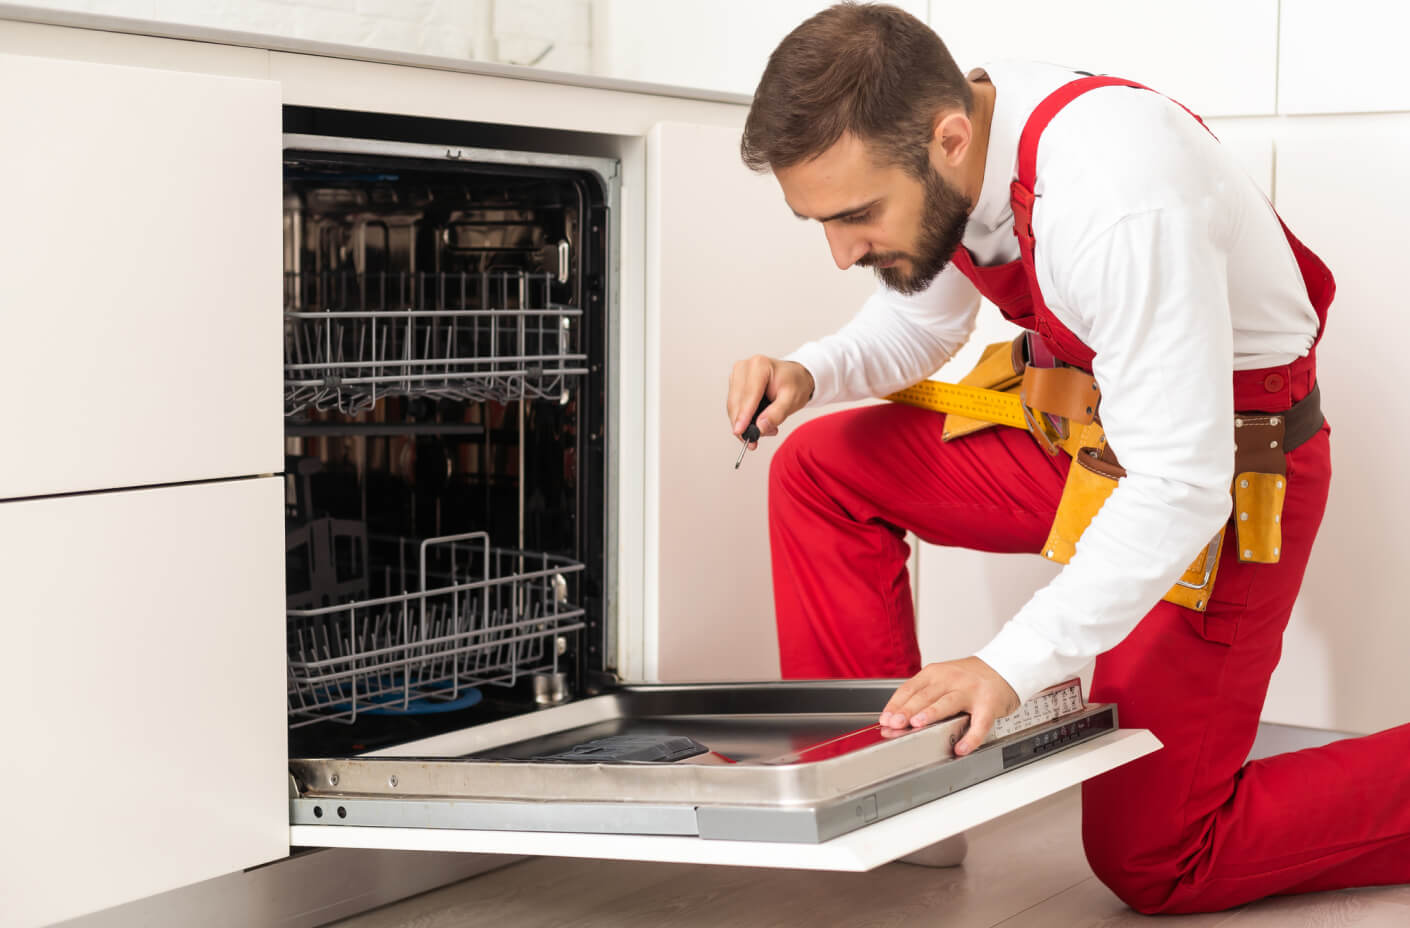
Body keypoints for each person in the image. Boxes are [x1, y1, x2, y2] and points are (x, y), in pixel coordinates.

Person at [725, 2, 1410, 915]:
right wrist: (814, 369)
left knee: (1158, 858)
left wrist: (1007, 667)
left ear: (950, 139)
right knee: (822, 471)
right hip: (1093, 443)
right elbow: (922, 315)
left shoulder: (1117, 195)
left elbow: (1179, 483)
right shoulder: (958, 132)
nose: (843, 250)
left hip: (1224, 477)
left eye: (856, 216)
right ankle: (886, 795)